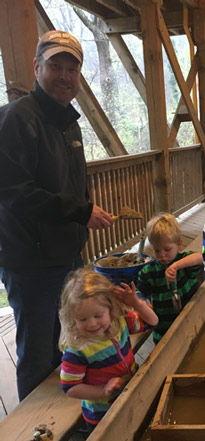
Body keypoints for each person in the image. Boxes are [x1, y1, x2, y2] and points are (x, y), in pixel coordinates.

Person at [0, 30, 114, 403]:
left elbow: (70, 184)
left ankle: (64, 421)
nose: (64, 75)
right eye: (55, 66)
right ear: (37, 67)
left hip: (66, 256)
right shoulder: (18, 119)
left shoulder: (68, 122)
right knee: (37, 353)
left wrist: (81, 216)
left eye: (72, 69)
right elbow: (13, 191)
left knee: (69, 344)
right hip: (30, 261)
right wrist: (82, 211)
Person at [59, 269, 158, 433]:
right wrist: (103, 390)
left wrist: (136, 303)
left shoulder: (119, 321)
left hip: (130, 394)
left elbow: (153, 321)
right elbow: (70, 388)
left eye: (98, 315)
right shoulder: (77, 350)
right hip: (103, 415)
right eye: (82, 319)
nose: (92, 324)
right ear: (72, 318)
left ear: (110, 308)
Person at [136, 213, 203, 344]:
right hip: (164, 329)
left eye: (167, 249)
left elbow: (199, 258)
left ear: (179, 245)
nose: (162, 255)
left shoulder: (184, 263)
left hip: (190, 322)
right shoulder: (149, 272)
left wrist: (177, 266)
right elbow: (140, 293)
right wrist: (140, 300)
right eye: (157, 250)